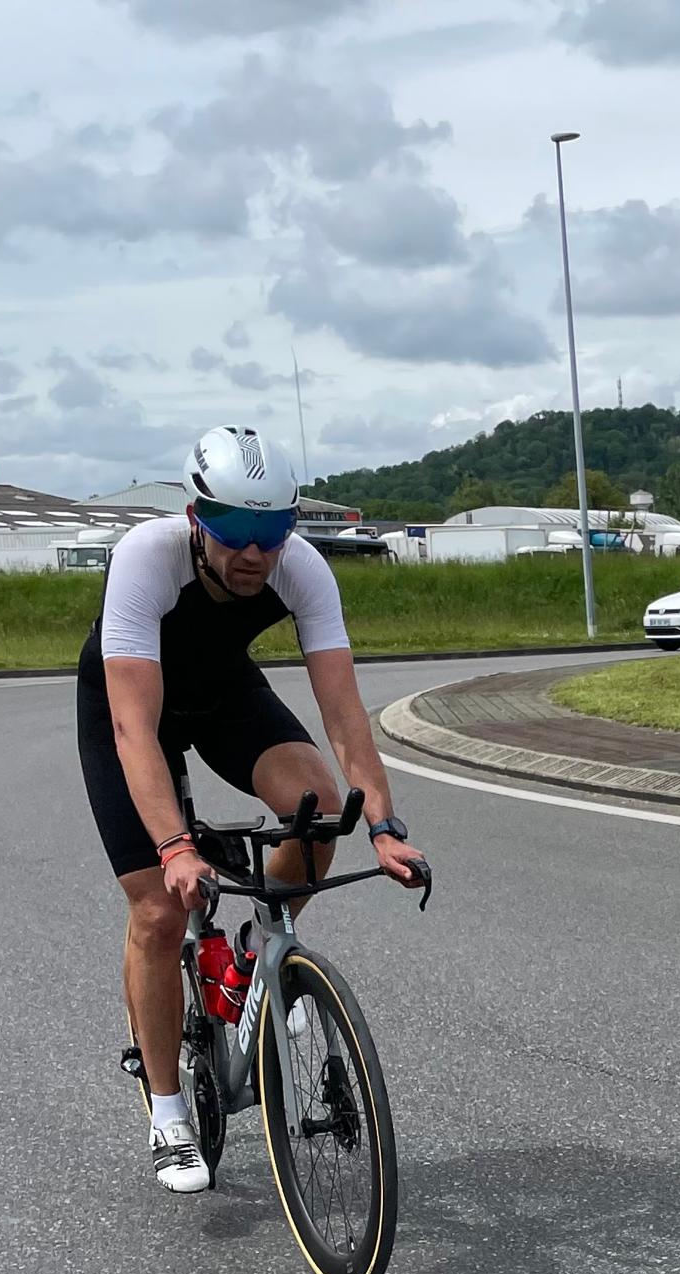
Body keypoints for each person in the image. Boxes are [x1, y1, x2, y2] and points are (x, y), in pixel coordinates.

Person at [77, 425, 426, 1194]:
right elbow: (134, 730)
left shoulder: (299, 568)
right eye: (234, 529)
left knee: (320, 807)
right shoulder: (145, 558)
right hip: (128, 711)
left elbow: (344, 715)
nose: (254, 552)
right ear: (196, 518)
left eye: (272, 531)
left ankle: (255, 952)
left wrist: (383, 827)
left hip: (221, 695)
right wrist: (174, 848)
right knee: (158, 912)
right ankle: (168, 1111)